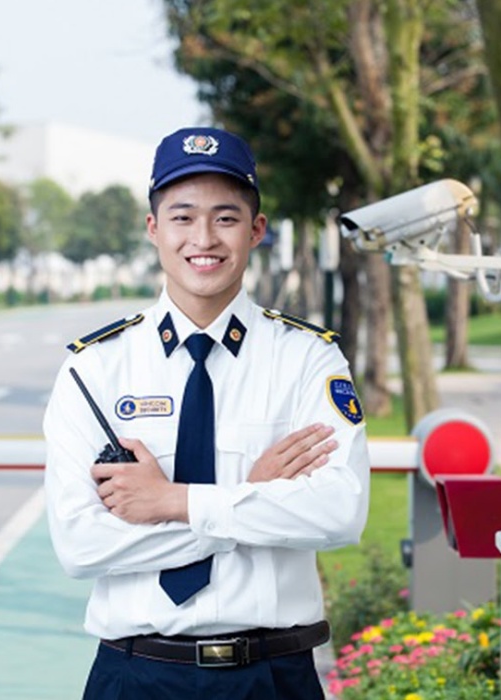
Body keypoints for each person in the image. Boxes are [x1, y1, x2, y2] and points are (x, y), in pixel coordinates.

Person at [42, 126, 371, 700]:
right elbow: (82, 546)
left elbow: (338, 511)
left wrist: (174, 501)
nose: (204, 238)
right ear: (153, 229)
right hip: (133, 675)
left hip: (273, 676)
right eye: (182, 216)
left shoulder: (306, 359)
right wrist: (249, 498)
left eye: (225, 217)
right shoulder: (94, 371)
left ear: (256, 230)